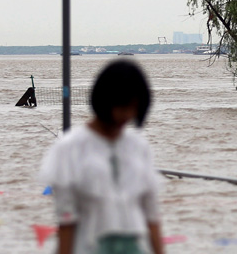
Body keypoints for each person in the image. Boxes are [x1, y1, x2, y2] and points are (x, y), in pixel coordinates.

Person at [39, 60, 164, 254]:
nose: (128, 115)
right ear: (105, 101)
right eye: (123, 107)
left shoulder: (139, 147)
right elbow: (66, 220)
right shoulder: (70, 148)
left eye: (134, 108)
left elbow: (151, 215)